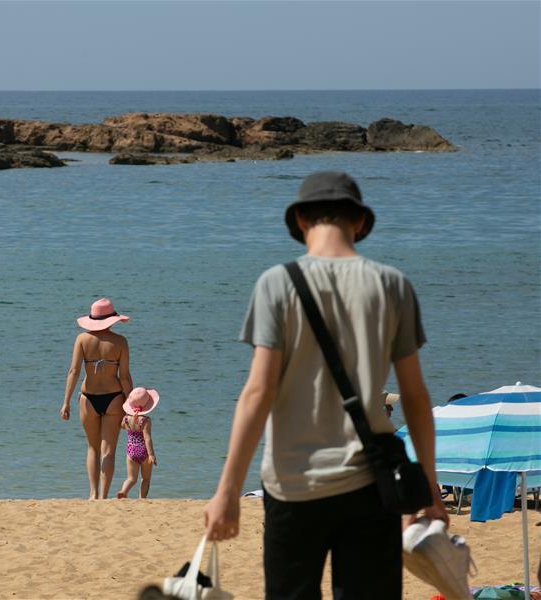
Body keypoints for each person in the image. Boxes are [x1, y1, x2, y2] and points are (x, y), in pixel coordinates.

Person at [203, 171, 448, 599]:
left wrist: (227, 491)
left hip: (292, 485)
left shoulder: (276, 284)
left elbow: (258, 393)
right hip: (371, 485)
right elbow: (414, 396)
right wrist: (427, 488)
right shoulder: (392, 285)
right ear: (359, 222)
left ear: (300, 220)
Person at [62, 298, 133, 500]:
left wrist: (66, 402)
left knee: (92, 447)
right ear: (112, 320)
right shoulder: (120, 342)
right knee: (108, 451)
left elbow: (73, 371)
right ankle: (103, 496)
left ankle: (92, 494)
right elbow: (125, 376)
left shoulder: (82, 340)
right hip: (114, 398)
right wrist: (130, 405)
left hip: (88, 398)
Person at [117, 387, 159, 499]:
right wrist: (151, 455)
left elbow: (121, 427)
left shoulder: (126, 419)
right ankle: (142, 498)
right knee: (145, 479)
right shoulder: (145, 420)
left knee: (131, 478)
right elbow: (147, 438)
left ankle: (123, 491)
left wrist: (127, 416)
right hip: (144, 451)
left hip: (131, 451)